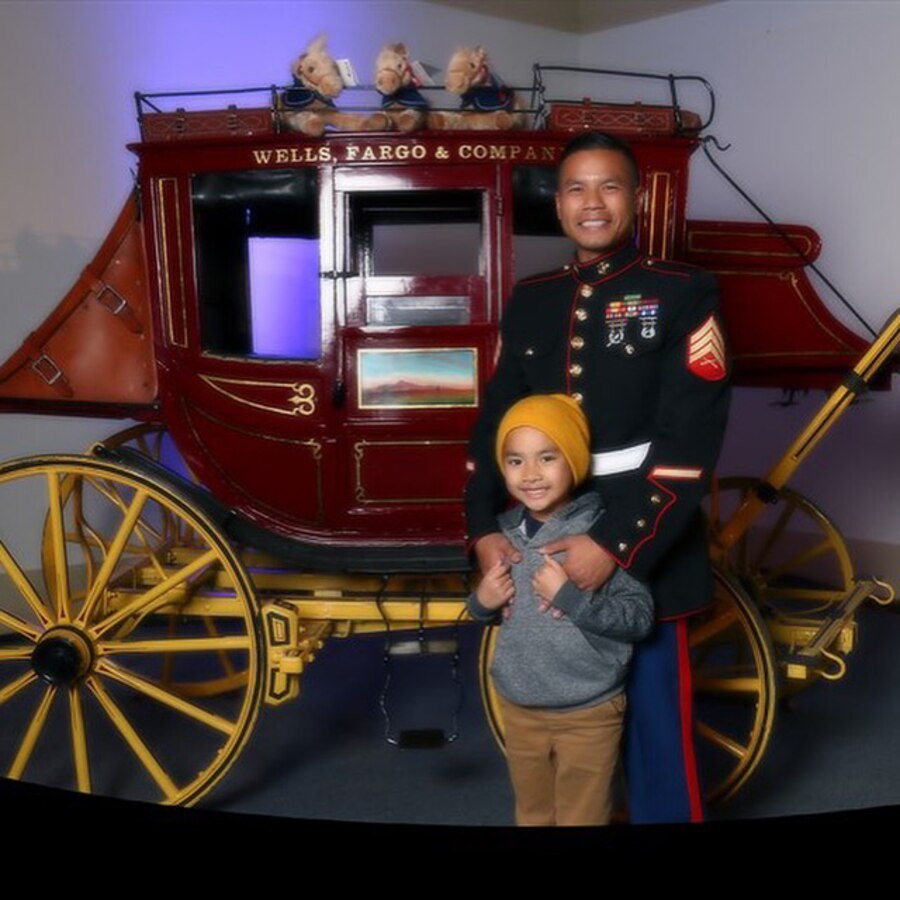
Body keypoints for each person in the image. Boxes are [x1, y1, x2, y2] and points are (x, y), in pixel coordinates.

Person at [465, 131, 730, 823]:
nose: (593, 202)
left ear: (636, 198)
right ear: (558, 205)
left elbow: (688, 444)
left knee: (653, 736)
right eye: (577, 188)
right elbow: (495, 427)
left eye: (609, 186)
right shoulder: (532, 298)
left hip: (644, 534)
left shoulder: (682, 293)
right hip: (537, 531)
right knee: (553, 733)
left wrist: (614, 544)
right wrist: (480, 532)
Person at [467, 393, 653, 826]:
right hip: (519, 707)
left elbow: (638, 618)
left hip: (589, 711)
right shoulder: (502, 534)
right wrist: (482, 602)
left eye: (547, 458)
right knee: (531, 814)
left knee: (583, 816)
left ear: (573, 461)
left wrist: (570, 597)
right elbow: (488, 613)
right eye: (515, 461)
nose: (530, 474)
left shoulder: (599, 536)